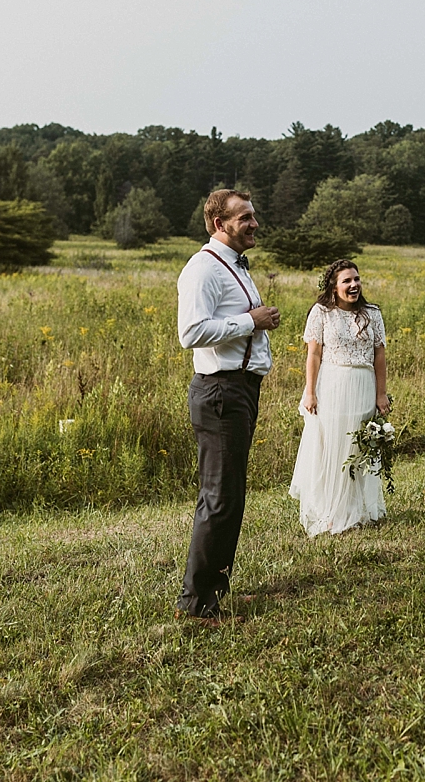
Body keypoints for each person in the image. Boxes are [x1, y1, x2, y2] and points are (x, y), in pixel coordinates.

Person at [174, 189, 281, 620]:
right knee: (219, 498)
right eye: (245, 218)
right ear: (219, 224)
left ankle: (215, 589)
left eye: (254, 215)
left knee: (231, 495)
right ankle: (197, 604)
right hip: (220, 392)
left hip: (240, 390)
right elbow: (191, 332)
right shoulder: (202, 269)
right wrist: (249, 322)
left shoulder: (233, 265)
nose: (254, 223)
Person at [288, 258, 391, 536]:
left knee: (358, 448)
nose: (354, 285)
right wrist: (310, 392)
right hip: (332, 386)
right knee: (332, 449)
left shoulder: (373, 313)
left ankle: (357, 510)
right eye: (347, 281)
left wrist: (381, 394)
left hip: (363, 385)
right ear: (334, 287)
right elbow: (314, 354)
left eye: (356, 279)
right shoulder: (321, 313)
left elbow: (379, 354)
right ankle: (331, 513)